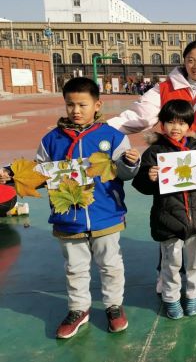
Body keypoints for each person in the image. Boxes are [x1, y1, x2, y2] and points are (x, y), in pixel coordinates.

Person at [107, 40, 196, 288]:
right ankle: (166, 272)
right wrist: (103, 129)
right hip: (171, 157)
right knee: (170, 216)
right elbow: (140, 115)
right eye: (191, 60)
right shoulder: (164, 88)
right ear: (183, 62)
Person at [35, 77, 140, 339]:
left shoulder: (113, 137)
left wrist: (130, 163)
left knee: (111, 265)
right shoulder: (51, 140)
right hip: (68, 217)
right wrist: (14, 175)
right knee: (75, 267)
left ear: (97, 105)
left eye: (82, 105)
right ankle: (78, 309)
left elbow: (125, 174)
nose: (76, 110)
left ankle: (113, 306)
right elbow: (39, 173)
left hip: (106, 214)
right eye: (70, 105)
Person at [132, 100, 196, 319]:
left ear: (189, 125)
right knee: (171, 263)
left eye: (182, 123)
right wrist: (149, 177)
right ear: (162, 124)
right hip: (168, 218)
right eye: (170, 122)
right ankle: (171, 298)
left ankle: (193, 296)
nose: (176, 127)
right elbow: (141, 185)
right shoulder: (155, 151)